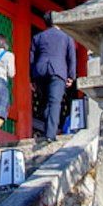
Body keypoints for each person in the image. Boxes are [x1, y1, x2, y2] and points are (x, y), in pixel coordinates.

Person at [29, 10, 76, 143]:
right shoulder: (66, 37)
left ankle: (46, 130)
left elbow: (31, 59)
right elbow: (71, 58)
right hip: (58, 71)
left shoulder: (37, 37)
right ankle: (50, 134)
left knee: (44, 102)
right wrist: (71, 76)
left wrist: (31, 78)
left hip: (40, 71)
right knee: (54, 102)